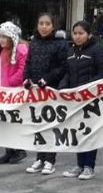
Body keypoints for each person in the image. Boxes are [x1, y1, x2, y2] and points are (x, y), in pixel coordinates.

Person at [60, 20, 103, 181]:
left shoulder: (98, 50)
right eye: (75, 33)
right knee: (78, 132)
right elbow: (67, 72)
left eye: (81, 33)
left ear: (89, 34)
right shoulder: (71, 51)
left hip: (92, 99)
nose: (77, 36)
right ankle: (80, 164)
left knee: (89, 133)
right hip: (75, 100)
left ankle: (89, 166)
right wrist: (63, 86)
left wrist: (86, 87)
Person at [24, 13, 69, 175]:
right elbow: (28, 63)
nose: (44, 26)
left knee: (50, 124)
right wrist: (26, 79)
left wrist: (47, 79)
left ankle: (50, 160)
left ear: (53, 26)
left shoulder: (60, 44)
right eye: (41, 23)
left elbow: (63, 67)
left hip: (51, 90)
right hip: (35, 91)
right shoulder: (34, 42)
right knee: (38, 125)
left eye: (47, 24)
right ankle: (39, 158)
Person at [0, 21, 29, 165]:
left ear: (12, 37)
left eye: (5, 37)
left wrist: (11, 82)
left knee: (13, 122)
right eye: (0, 37)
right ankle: (9, 151)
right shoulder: (0, 52)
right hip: (2, 92)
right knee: (4, 122)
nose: (1, 40)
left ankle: (19, 149)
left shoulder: (20, 50)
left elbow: (22, 68)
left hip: (14, 92)